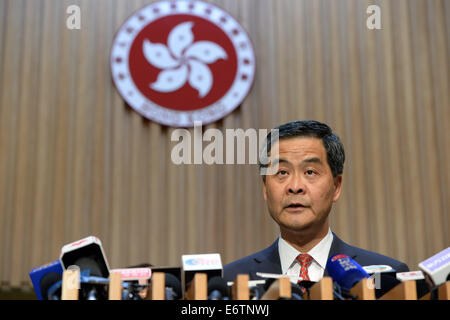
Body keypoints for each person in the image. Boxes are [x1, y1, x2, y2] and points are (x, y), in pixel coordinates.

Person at [223, 120, 410, 298]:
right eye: (282, 172)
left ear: (336, 187)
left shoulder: (388, 280)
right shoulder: (230, 281)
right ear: (265, 188)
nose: (295, 186)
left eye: (310, 172)